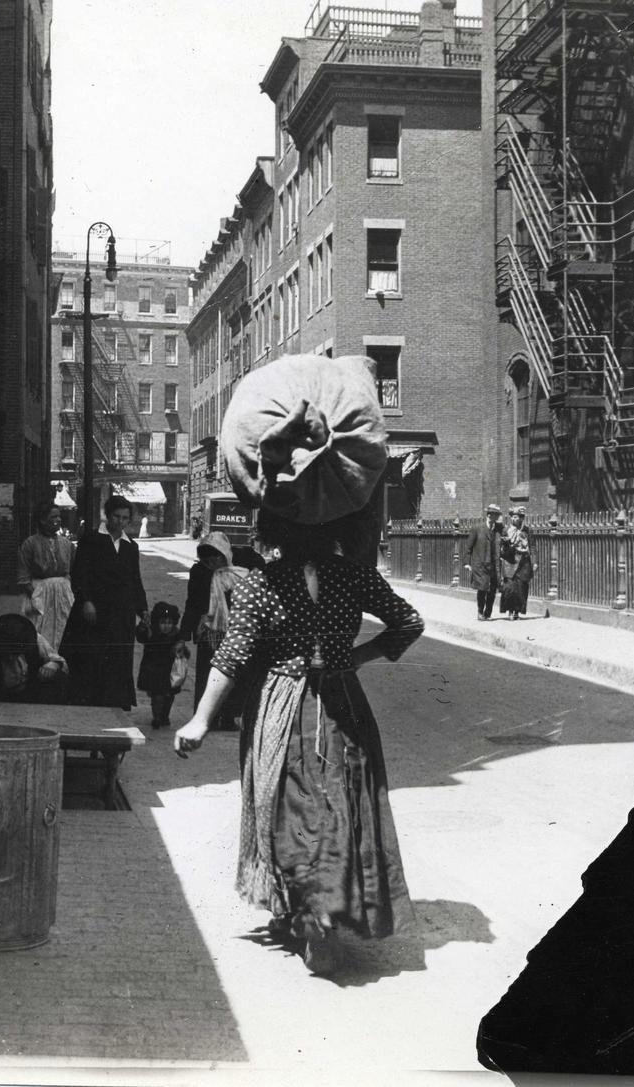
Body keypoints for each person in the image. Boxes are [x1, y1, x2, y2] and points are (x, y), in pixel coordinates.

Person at [174, 353, 424, 977]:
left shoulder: (265, 585)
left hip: (283, 712)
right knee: (340, 804)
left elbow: (233, 658)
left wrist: (201, 720)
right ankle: (328, 916)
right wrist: (353, 660)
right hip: (340, 708)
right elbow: (409, 623)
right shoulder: (353, 577)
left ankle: (304, 915)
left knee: (290, 806)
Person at [60, 494, 149, 709]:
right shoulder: (91, 539)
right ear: (107, 516)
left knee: (117, 658)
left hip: (121, 613)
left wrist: (143, 609)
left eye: (125, 518)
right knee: (92, 656)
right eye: (117, 516)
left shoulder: (131, 546)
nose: (120, 521)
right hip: (95, 611)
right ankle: (90, 701)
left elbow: (134, 579)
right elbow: (80, 573)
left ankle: (115, 702)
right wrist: (86, 601)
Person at [179, 531, 248, 730]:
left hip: (235, 630)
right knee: (207, 675)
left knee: (234, 674)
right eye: (207, 560)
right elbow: (192, 603)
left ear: (224, 554)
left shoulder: (241, 570)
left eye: (216, 558)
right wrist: (183, 636)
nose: (212, 563)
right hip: (208, 631)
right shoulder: (199, 572)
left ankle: (229, 717)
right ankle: (207, 718)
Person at [0, 613, 68, 717]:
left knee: (58, 678)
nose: (13, 658)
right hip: (2, 703)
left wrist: (52, 665)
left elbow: (60, 662)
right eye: (10, 654)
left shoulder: (34, 639)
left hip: (31, 697)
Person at [17, 501, 77, 650]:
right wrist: (37, 597)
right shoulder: (29, 544)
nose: (58, 520)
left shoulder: (66, 544)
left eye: (59, 516)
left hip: (64, 595)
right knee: (41, 632)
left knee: (64, 630)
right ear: (43, 520)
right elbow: (23, 577)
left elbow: (75, 571)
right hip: (40, 593)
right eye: (53, 517)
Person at [136, 601, 187, 730]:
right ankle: (157, 717)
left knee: (169, 697)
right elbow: (141, 637)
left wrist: (181, 650)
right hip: (153, 671)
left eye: (169, 623)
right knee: (157, 696)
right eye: (163, 623)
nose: (166, 626)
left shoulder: (176, 635)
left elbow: (184, 651)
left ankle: (165, 715)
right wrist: (143, 626)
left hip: (170, 673)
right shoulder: (152, 633)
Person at [464, 504, 504, 620]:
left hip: (494, 564)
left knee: (492, 590)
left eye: (497, 515)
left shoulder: (499, 528)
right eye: (495, 515)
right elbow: (468, 547)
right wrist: (467, 562)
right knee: (482, 588)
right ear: (489, 515)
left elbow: (505, 540)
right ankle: (480, 612)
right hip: (480, 564)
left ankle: (488, 613)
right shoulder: (477, 528)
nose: (497, 517)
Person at [499, 506, 534, 620]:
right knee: (509, 588)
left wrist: (535, 562)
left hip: (523, 562)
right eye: (514, 517)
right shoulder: (505, 530)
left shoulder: (527, 530)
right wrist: (508, 545)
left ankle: (517, 612)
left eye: (519, 517)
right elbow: (501, 549)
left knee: (522, 588)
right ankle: (509, 611)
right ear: (511, 518)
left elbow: (533, 546)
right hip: (510, 562)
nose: (516, 519)